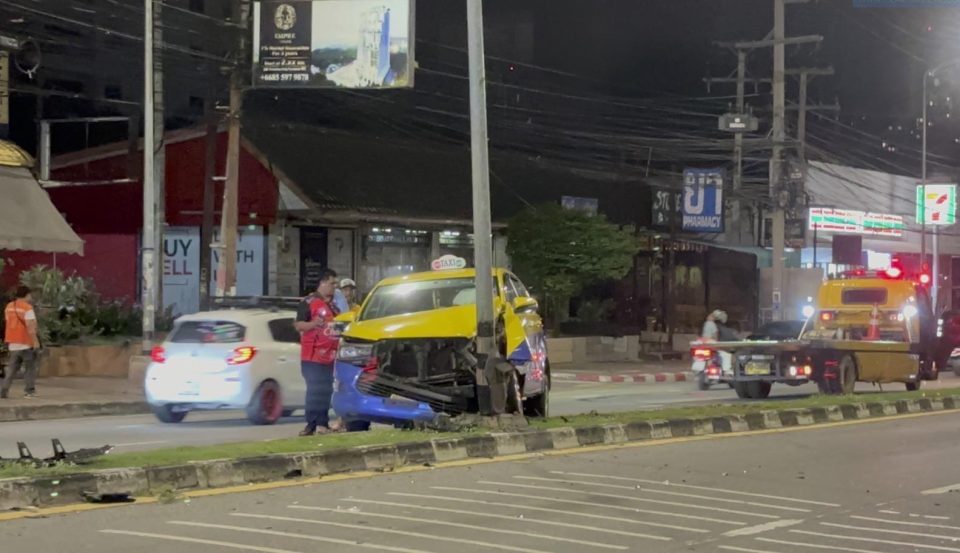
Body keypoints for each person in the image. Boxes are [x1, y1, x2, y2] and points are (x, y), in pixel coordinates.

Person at [294, 269, 341, 436]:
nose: (334, 287)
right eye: (332, 283)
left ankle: (323, 423)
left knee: (326, 390)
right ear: (322, 283)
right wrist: (314, 324)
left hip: (330, 357)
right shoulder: (308, 302)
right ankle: (311, 424)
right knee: (314, 389)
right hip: (312, 357)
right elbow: (299, 325)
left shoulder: (334, 306)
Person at [2, 286, 40, 399]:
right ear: (27, 295)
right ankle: (29, 391)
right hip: (25, 342)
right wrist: (35, 341)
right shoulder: (27, 308)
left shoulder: (9, 306)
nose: (31, 297)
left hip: (13, 342)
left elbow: (8, 322)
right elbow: (30, 326)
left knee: (11, 369)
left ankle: (3, 391)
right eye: (30, 295)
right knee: (29, 368)